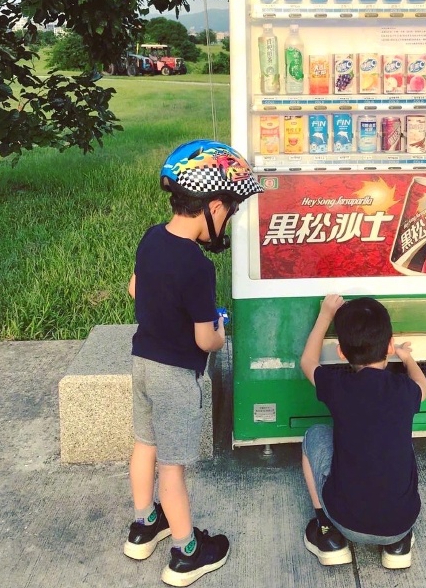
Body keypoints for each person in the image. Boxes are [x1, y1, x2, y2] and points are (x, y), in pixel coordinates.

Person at [123, 139, 262, 587]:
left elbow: (134, 289)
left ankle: (144, 525)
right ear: (214, 206)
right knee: (172, 468)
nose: (228, 221)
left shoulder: (151, 237)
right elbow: (206, 339)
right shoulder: (199, 267)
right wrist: (220, 330)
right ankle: (186, 553)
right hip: (176, 378)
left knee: (144, 445)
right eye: (230, 212)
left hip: (143, 364)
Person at [299, 294, 426, 570]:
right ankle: (398, 545)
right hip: (400, 523)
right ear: (390, 346)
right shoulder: (404, 391)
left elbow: (307, 361)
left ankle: (328, 533)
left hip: (345, 520)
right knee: (402, 442)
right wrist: (407, 358)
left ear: (341, 353)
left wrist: (325, 315)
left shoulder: (337, 385)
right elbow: (422, 385)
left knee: (314, 434)